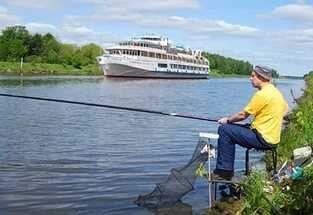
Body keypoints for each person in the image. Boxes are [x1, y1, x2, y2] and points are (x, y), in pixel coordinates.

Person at [212, 65, 289, 180]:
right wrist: (268, 120)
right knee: (233, 128)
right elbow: (286, 109)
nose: (250, 78)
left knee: (225, 130)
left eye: (253, 76)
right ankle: (226, 169)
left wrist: (227, 120)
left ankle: (224, 172)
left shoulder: (262, 94)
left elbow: (242, 115)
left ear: (261, 77)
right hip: (273, 140)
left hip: (262, 140)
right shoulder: (276, 92)